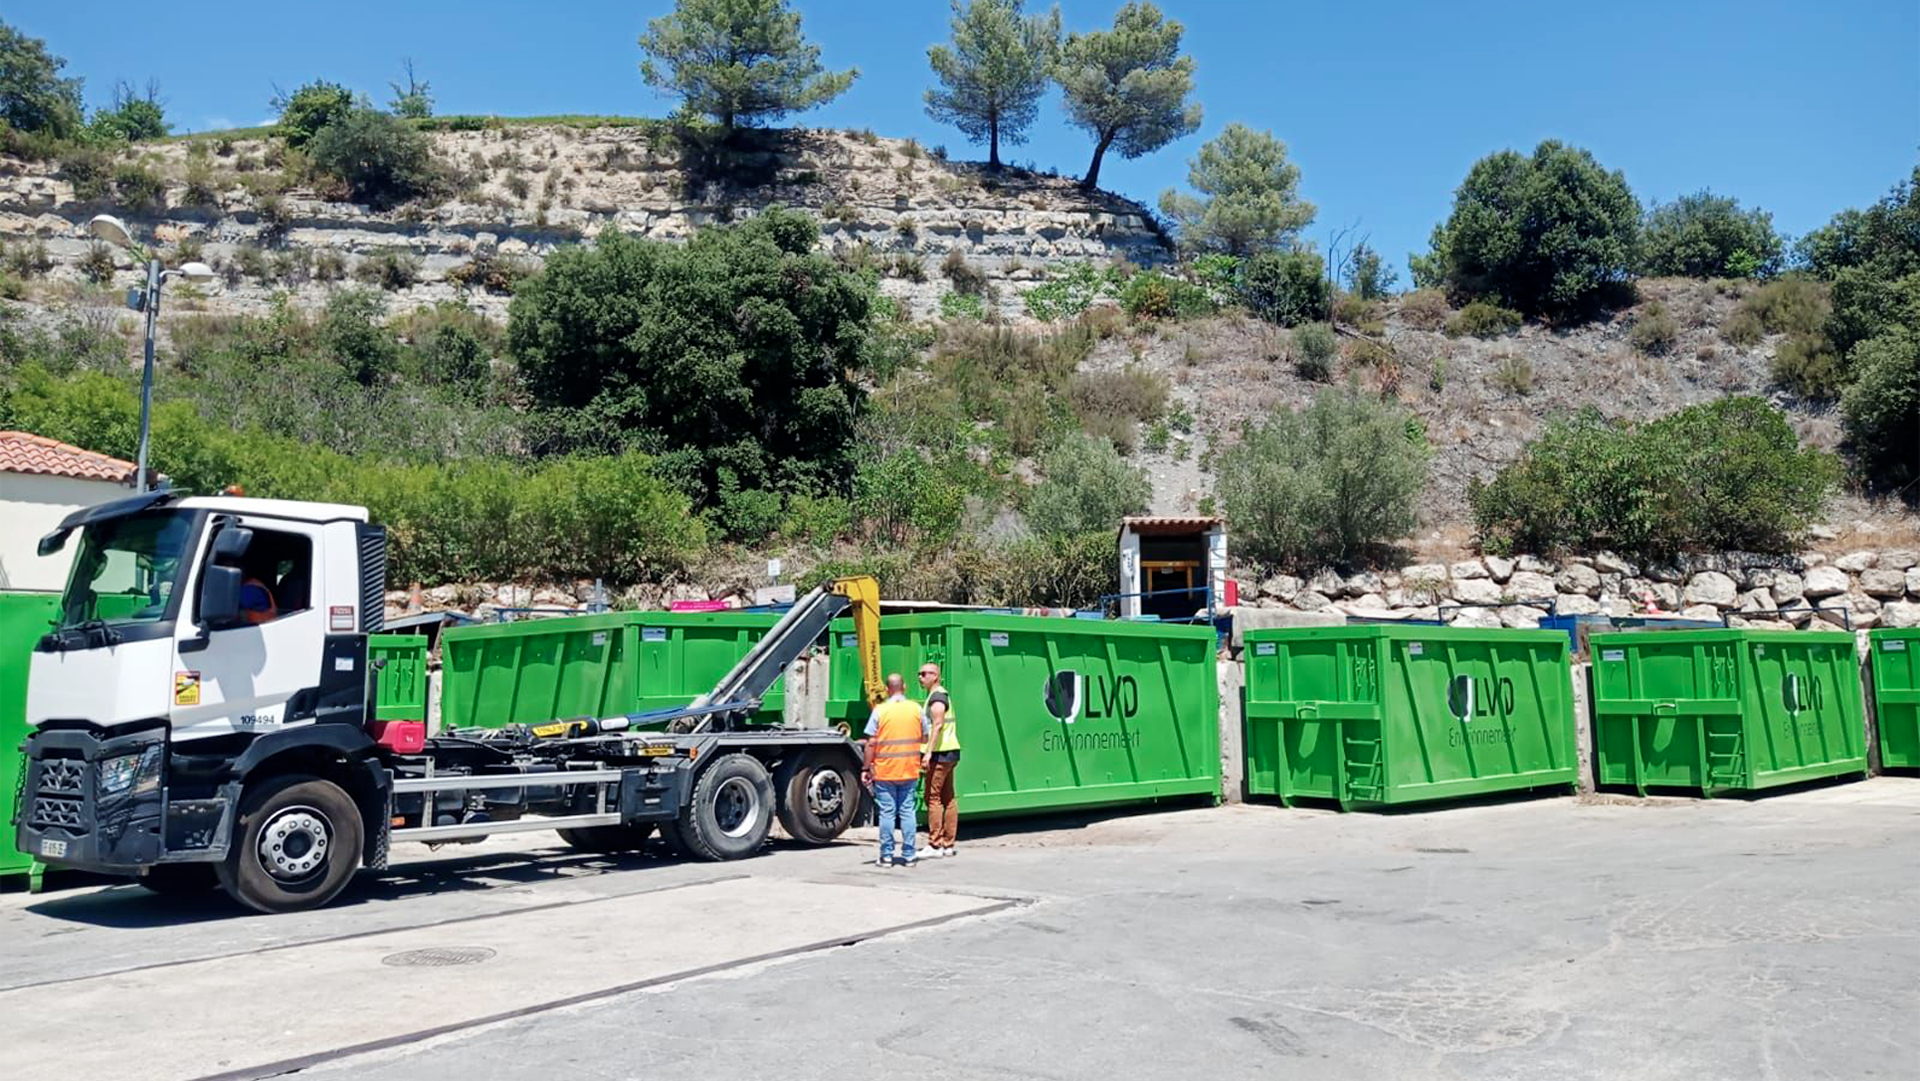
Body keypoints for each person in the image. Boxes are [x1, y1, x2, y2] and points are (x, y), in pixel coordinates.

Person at [862, 672, 928, 868]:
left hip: (885, 771)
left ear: (888, 689)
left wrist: (866, 767)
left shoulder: (880, 711)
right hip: (909, 769)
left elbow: (871, 744)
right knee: (907, 812)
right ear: (904, 687)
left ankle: (886, 856)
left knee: (887, 813)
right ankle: (909, 855)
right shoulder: (916, 709)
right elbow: (925, 736)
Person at [919, 662, 961, 857]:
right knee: (948, 797)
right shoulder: (940, 695)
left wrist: (928, 752)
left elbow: (937, 725)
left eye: (925, 673)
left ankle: (935, 844)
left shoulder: (937, 698)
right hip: (950, 751)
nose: (920, 677)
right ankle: (948, 844)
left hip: (940, 753)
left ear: (935, 676)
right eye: (919, 674)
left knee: (932, 797)